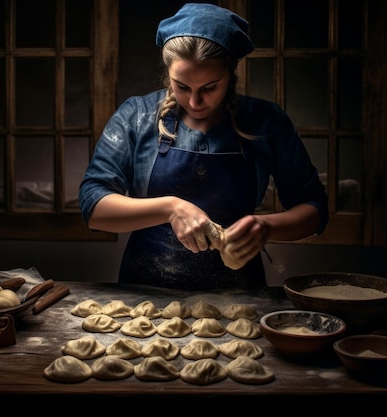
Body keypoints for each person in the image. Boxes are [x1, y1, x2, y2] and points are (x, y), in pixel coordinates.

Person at [79, 3, 328, 291]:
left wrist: (266, 227)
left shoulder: (265, 121)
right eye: (181, 86)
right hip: (147, 291)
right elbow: (93, 206)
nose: (195, 102)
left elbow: (314, 208)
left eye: (210, 87)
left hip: (239, 293)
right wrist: (170, 209)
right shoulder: (137, 116)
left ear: (231, 74)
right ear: (168, 74)